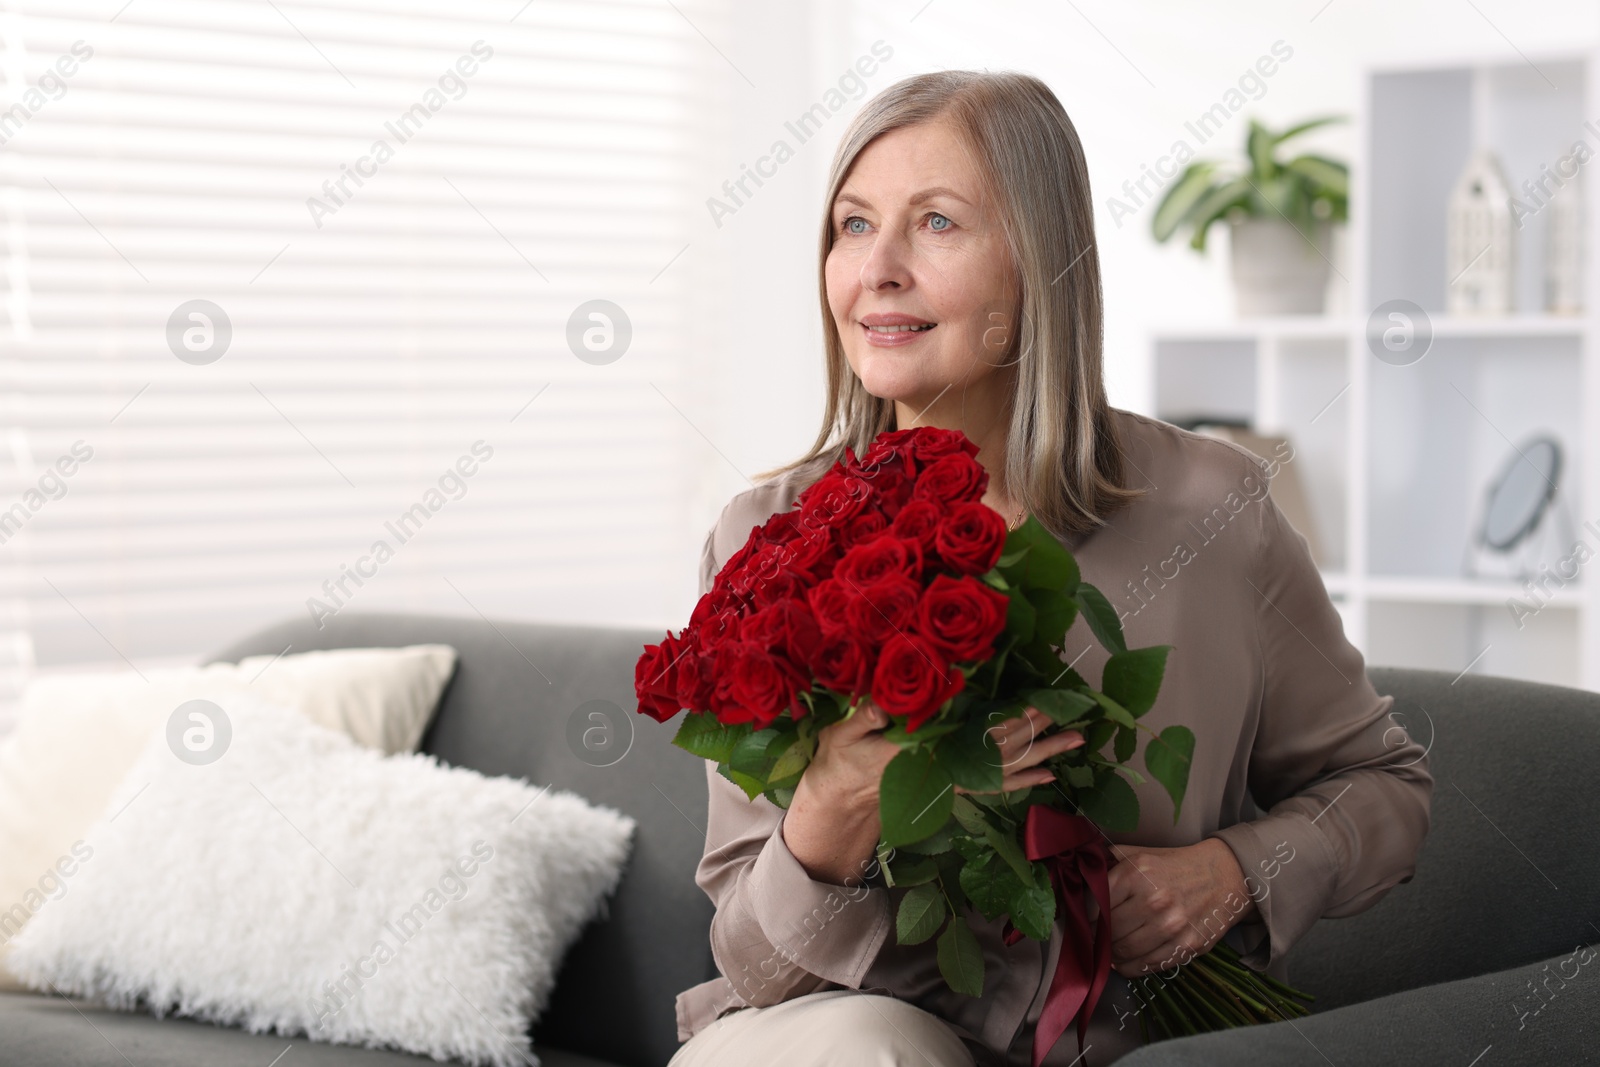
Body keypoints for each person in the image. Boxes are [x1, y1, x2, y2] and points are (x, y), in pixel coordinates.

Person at [667, 70, 1432, 1067]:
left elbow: (1385, 786)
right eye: (852, 226)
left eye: (935, 223)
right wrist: (826, 817)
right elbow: (758, 971)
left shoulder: (1216, 509)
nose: (877, 270)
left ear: (1042, 259)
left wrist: (1234, 870)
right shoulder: (764, 536)